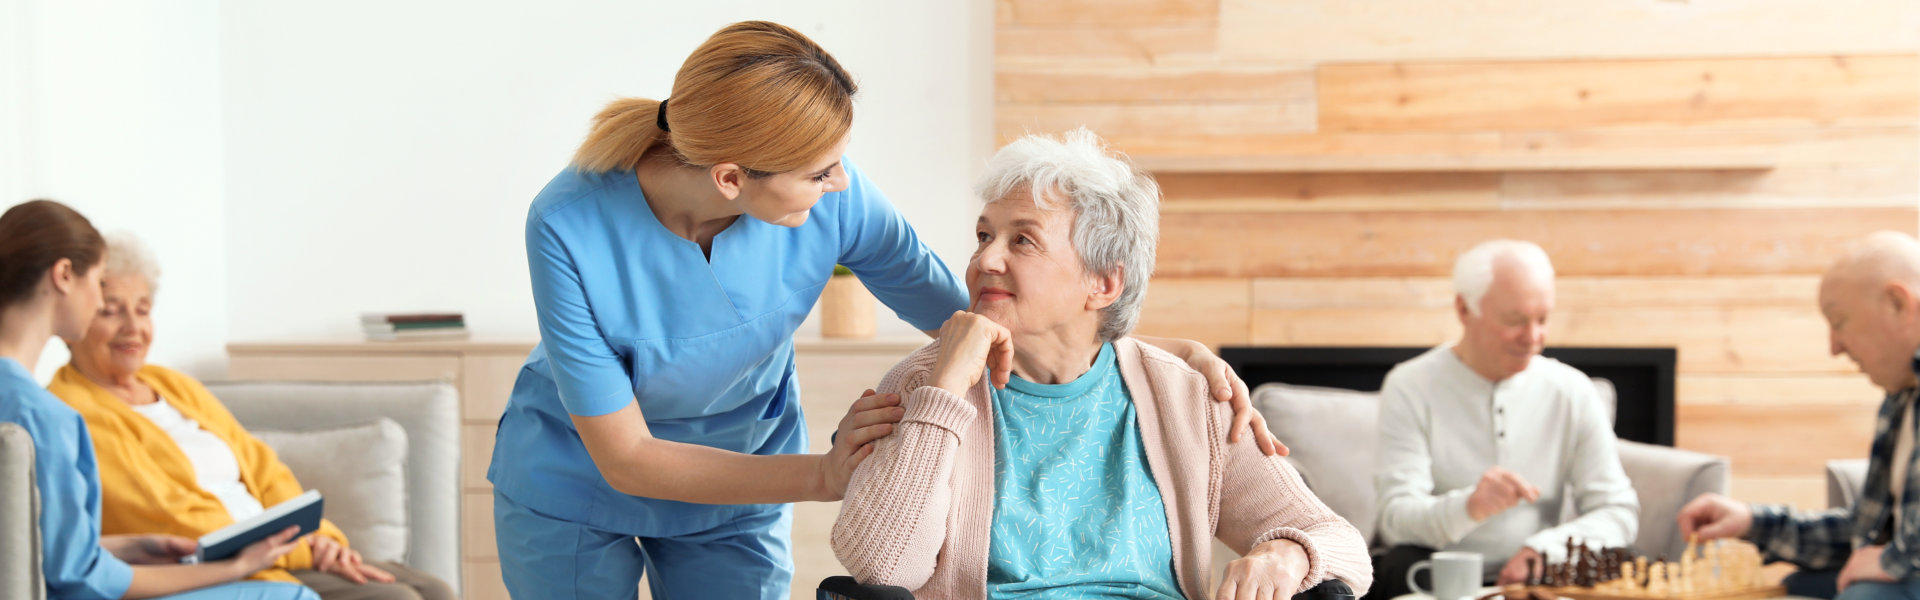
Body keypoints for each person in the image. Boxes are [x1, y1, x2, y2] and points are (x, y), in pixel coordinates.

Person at [488, 21, 1280, 599]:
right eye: (820, 172)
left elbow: (971, 315)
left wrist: (1158, 352)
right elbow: (624, 455)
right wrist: (826, 473)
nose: (842, 184)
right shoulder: (566, 223)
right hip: (578, 482)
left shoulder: (836, 196)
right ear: (731, 178)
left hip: (742, 471)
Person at [830, 129, 1373, 600]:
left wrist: (1288, 554)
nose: (985, 260)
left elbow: (1341, 542)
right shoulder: (926, 383)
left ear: (1103, 284)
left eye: (1022, 240)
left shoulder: (1185, 397)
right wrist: (945, 391)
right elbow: (883, 564)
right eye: (983, 236)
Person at [44, 233, 453, 600]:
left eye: (143, 309)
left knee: (435, 590)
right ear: (79, 318)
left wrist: (323, 539)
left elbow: (264, 468)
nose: (133, 327)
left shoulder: (172, 384)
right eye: (111, 311)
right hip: (228, 572)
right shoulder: (71, 407)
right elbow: (172, 518)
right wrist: (301, 548)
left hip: (283, 551)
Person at [0, 199, 316, 600]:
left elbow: (34, 549)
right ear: (64, 275)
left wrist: (132, 546)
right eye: (99, 286)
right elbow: (79, 580)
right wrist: (234, 567)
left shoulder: (21, 401)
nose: (98, 303)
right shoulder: (46, 415)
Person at [1369, 240, 1639, 599]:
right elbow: (1395, 520)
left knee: (1626, 564)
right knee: (1395, 566)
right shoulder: (1409, 385)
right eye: (1515, 321)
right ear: (1465, 309)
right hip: (1434, 573)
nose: (1533, 338)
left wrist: (1544, 550)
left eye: (1543, 320)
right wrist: (1468, 506)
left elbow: (1617, 510)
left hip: (1538, 578)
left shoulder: (1573, 390)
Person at [1678, 231, 1920, 600]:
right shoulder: (1901, 394)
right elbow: (1863, 532)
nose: (1834, 347)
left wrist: (1892, 562)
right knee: (1796, 587)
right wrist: (1752, 521)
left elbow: (1891, 554)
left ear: (1897, 303)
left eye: (1839, 322)